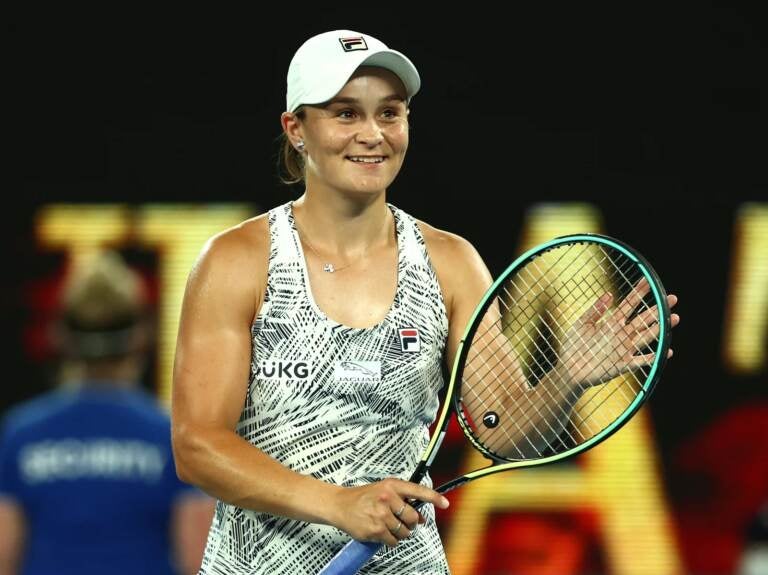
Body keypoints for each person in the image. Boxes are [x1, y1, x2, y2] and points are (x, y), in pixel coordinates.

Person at [170, 29, 681, 575]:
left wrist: (565, 378)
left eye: (390, 113)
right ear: (296, 129)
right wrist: (340, 504)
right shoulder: (236, 261)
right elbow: (198, 446)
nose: (373, 135)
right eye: (346, 114)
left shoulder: (451, 263)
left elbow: (499, 428)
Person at [0, 250, 214, 575]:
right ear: (140, 336)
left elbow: (4, 557)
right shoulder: (172, 435)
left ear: (62, 336)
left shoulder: (21, 434)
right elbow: (198, 561)